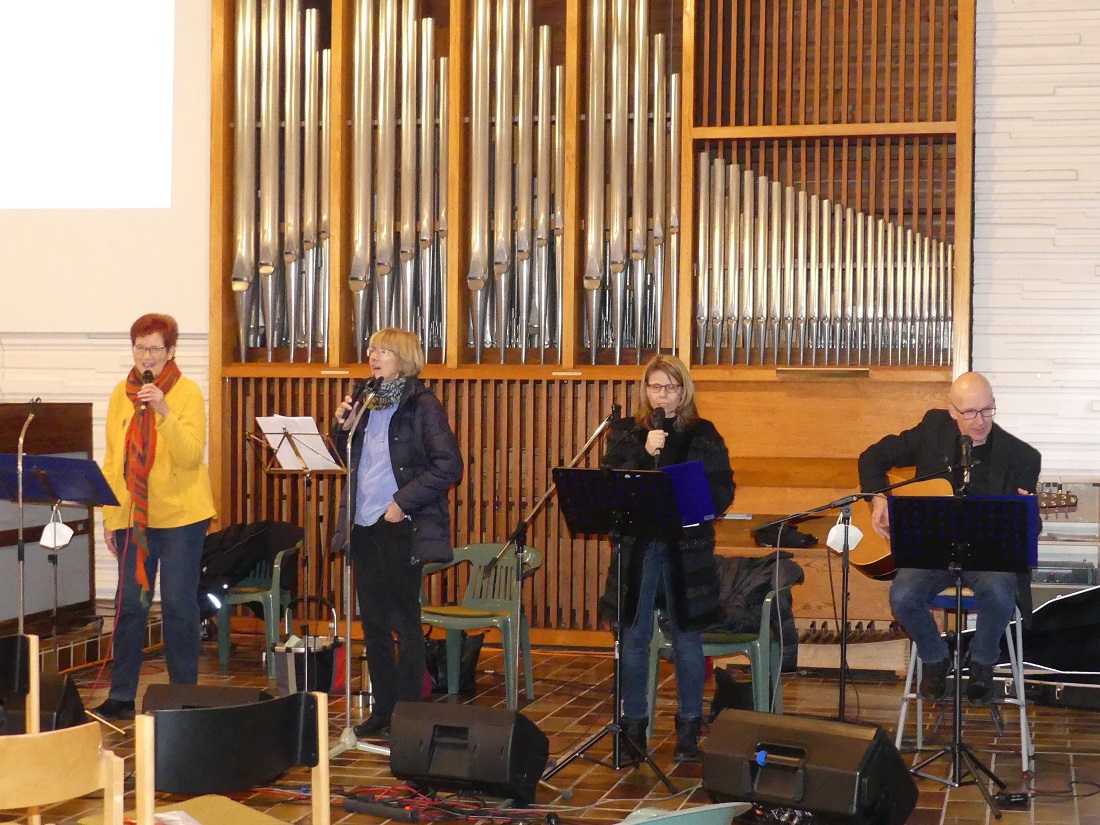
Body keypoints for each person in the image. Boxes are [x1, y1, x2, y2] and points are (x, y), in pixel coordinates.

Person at [858, 371, 1040, 706]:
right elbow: (871, 457)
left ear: (995, 405)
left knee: (1000, 592)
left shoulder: (1022, 457)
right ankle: (935, 657)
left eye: (987, 410)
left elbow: (1029, 530)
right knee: (903, 595)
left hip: (987, 557)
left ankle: (983, 662)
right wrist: (878, 498)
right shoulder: (933, 430)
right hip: (932, 552)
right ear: (952, 411)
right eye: (969, 412)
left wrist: (1026, 510)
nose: (980, 421)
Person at [598, 354, 735, 762]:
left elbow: (723, 491)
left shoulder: (703, 433)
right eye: (656, 387)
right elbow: (611, 482)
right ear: (645, 390)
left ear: (684, 390)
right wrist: (644, 452)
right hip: (637, 549)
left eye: (671, 388)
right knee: (635, 638)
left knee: (687, 639)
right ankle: (634, 728)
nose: (663, 396)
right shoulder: (627, 432)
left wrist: (695, 500)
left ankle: (689, 729)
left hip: (685, 550)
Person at [332, 328, 463, 739]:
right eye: (371, 349)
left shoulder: (422, 405)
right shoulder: (366, 400)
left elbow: (449, 466)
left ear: (404, 358)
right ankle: (382, 711)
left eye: (384, 351)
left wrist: (402, 502)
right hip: (364, 524)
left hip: (399, 523)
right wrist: (341, 429)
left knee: (404, 622)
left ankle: (409, 714)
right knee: (372, 623)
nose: (374, 356)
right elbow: (351, 457)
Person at [95, 314, 217, 720]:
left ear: (171, 351)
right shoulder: (120, 395)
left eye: (155, 349)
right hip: (136, 518)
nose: (146, 356)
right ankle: (122, 693)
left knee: (180, 606)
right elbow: (114, 460)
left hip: (182, 516)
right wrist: (111, 518)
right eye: (140, 347)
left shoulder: (186, 393)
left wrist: (163, 412)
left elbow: (189, 455)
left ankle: (183, 695)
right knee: (131, 604)